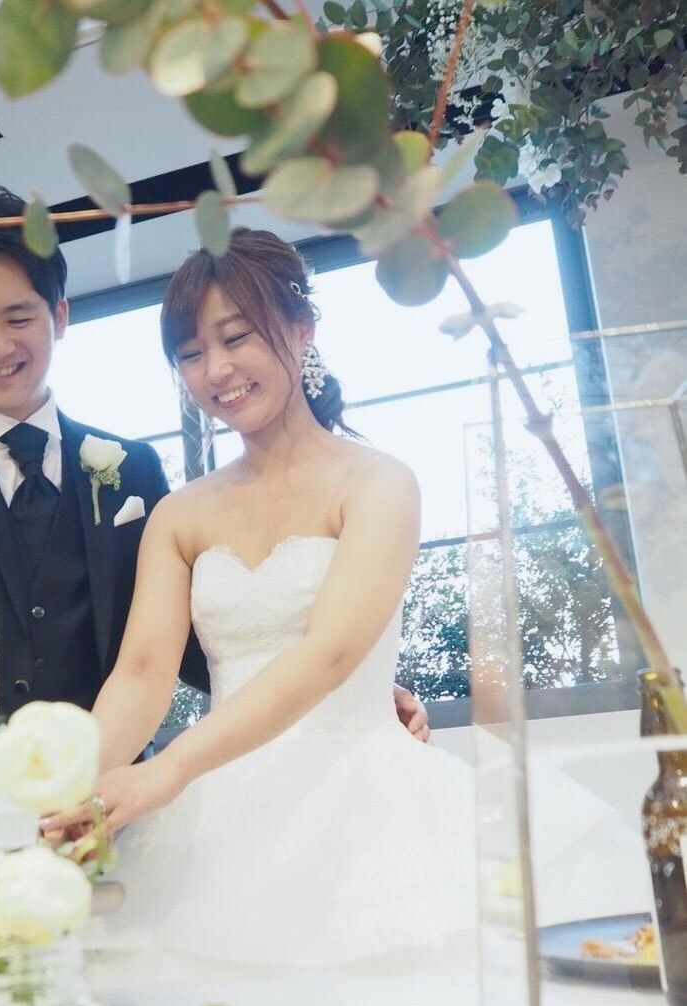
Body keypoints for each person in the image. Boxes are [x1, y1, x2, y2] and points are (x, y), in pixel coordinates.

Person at [43, 228, 477, 964]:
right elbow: (142, 672)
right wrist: (72, 791)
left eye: (236, 336)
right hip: (216, 815)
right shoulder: (179, 515)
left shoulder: (379, 483)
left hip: (363, 803)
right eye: (190, 352)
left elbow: (328, 653)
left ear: (302, 329)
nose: (216, 369)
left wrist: (168, 769)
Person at [0, 185, 430, 733]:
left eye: (18, 319)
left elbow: (191, 641)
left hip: (114, 776)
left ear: (60, 316)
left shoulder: (132, 470)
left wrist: (353, 693)